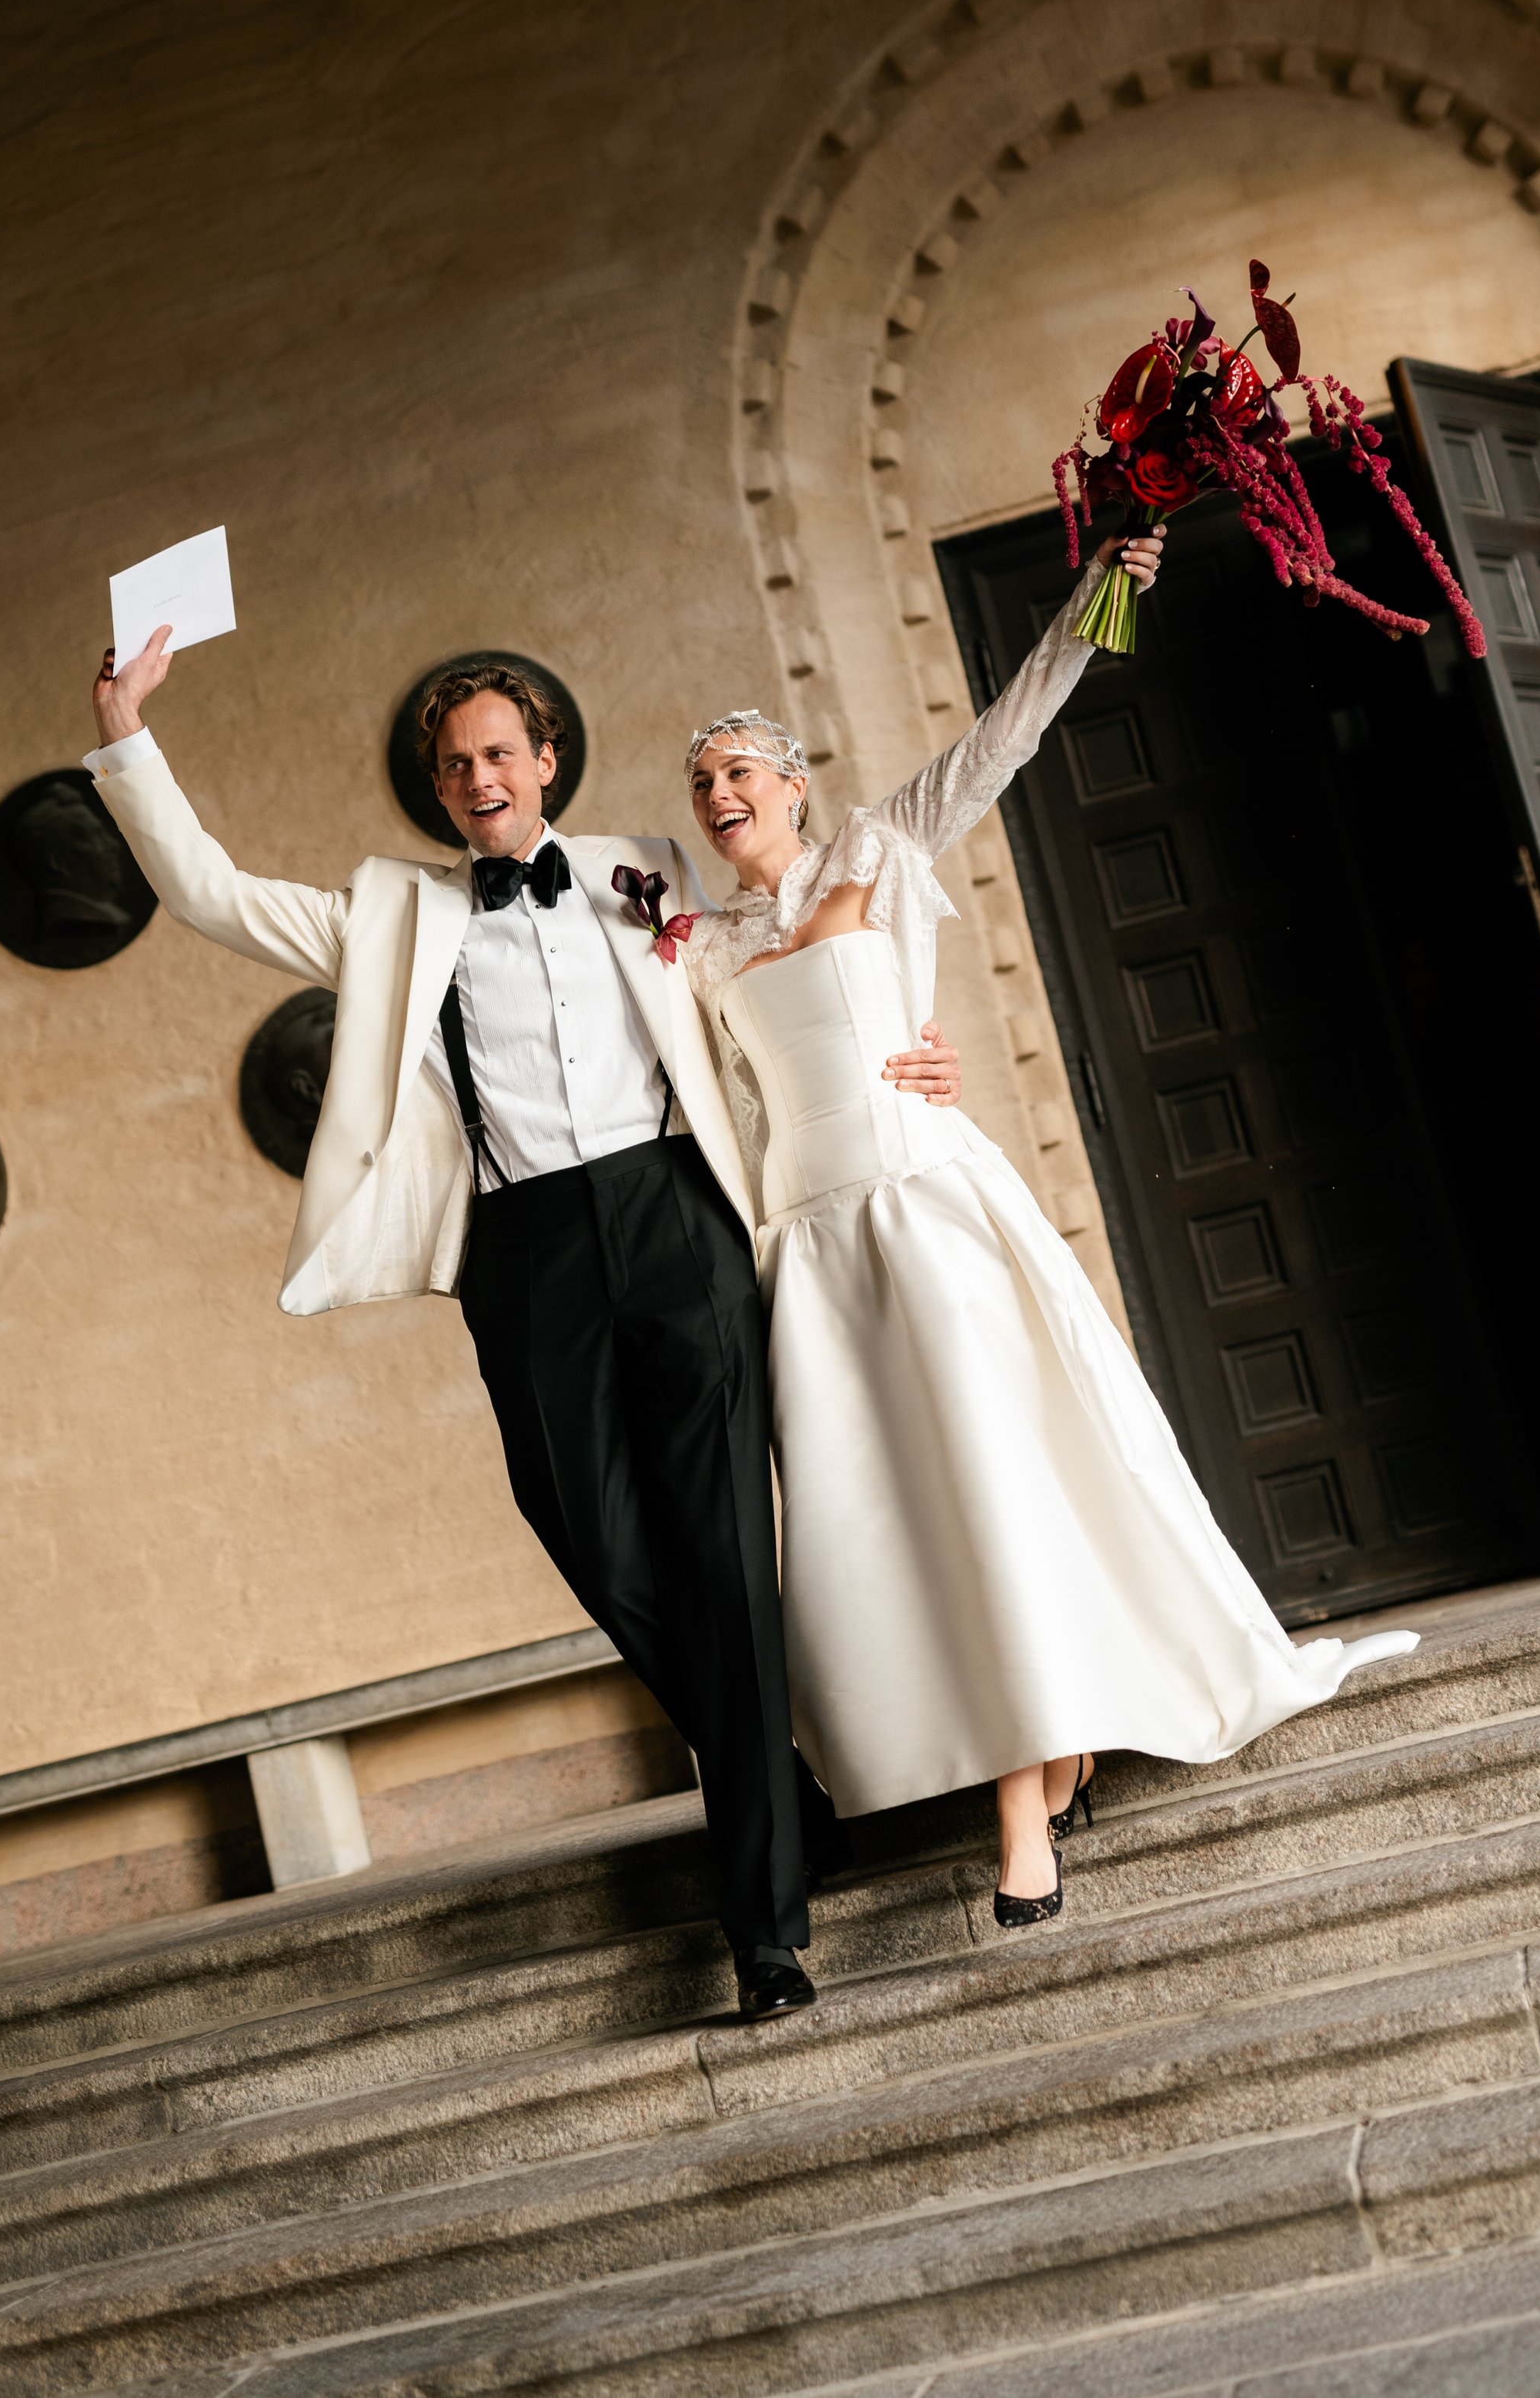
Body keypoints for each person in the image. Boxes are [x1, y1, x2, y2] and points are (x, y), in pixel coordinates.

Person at [84, 629, 961, 2018]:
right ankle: (783, 1782)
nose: (479, 776)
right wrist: (128, 732)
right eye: (454, 765)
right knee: (597, 1536)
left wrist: (904, 1051)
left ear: (546, 761)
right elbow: (208, 893)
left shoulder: (652, 873)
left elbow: (802, 924)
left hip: (679, 1220)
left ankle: (768, 1934)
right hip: (528, 1249)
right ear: (438, 793)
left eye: (499, 752)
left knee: (728, 1560)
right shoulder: (394, 913)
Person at [677, 527, 1419, 1924]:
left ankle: (1025, 1814)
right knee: (888, 1513)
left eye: (740, 770)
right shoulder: (702, 950)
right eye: (702, 780)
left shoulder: (878, 849)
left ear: (795, 783)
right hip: (812, 1248)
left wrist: (1111, 584)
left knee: (990, 1488)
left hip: (926, 1210)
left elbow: (1011, 726)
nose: (720, 792)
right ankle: (1038, 1732)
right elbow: (729, 1114)